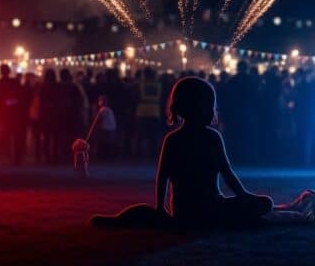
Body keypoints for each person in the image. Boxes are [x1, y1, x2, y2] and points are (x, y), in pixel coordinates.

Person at [91, 76, 273, 229]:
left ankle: (125, 220)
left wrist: (161, 210)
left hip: (183, 213)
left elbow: (163, 178)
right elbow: (228, 175)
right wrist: (243, 198)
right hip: (212, 208)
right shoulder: (212, 137)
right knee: (264, 204)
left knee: (145, 214)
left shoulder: (173, 139)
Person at [89, 95, 117, 160]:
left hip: (106, 130)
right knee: (108, 143)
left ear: (102, 102)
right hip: (112, 130)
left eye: (99, 100)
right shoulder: (109, 110)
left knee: (102, 142)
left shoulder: (102, 110)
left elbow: (96, 121)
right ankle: (108, 156)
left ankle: (102, 156)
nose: (98, 102)